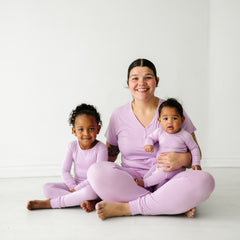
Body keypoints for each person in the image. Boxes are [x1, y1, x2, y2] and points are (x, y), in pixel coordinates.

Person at [84, 58, 215, 219]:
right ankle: (167, 204)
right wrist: (92, 187)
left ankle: (126, 208)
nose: (142, 83)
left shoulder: (172, 110)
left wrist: (182, 159)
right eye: (135, 78)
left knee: (205, 181)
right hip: (133, 181)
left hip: (168, 178)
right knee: (95, 171)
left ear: (156, 81)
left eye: (148, 77)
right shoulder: (118, 115)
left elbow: (196, 153)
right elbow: (109, 157)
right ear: (128, 82)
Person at [27, 103, 107, 210]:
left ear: (98, 129)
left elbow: (96, 176)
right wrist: (73, 188)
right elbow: (65, 171)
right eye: (81, 129)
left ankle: (50, 203)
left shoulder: (101, 148)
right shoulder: (72, 146)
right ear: (74, 131)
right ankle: (81, 200)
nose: (86, 133)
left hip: (92, 186)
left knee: (90, 192)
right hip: (74, 184)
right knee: (46, 188)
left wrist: (77, 189)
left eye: (91, 129)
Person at [134, 98, 202, 189]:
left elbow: (194, 148)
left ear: (182, 119)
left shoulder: (185, 135)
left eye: (174, 118)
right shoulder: (160, 132)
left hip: (175, 168)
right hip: (159, 165)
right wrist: (148, 144)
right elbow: (150, 137)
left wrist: (196, 163)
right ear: (159, 120)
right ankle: (149, 188)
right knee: (152, 175)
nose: (170, 122)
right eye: (165, 118)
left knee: (163, 173)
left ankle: (145, 183)